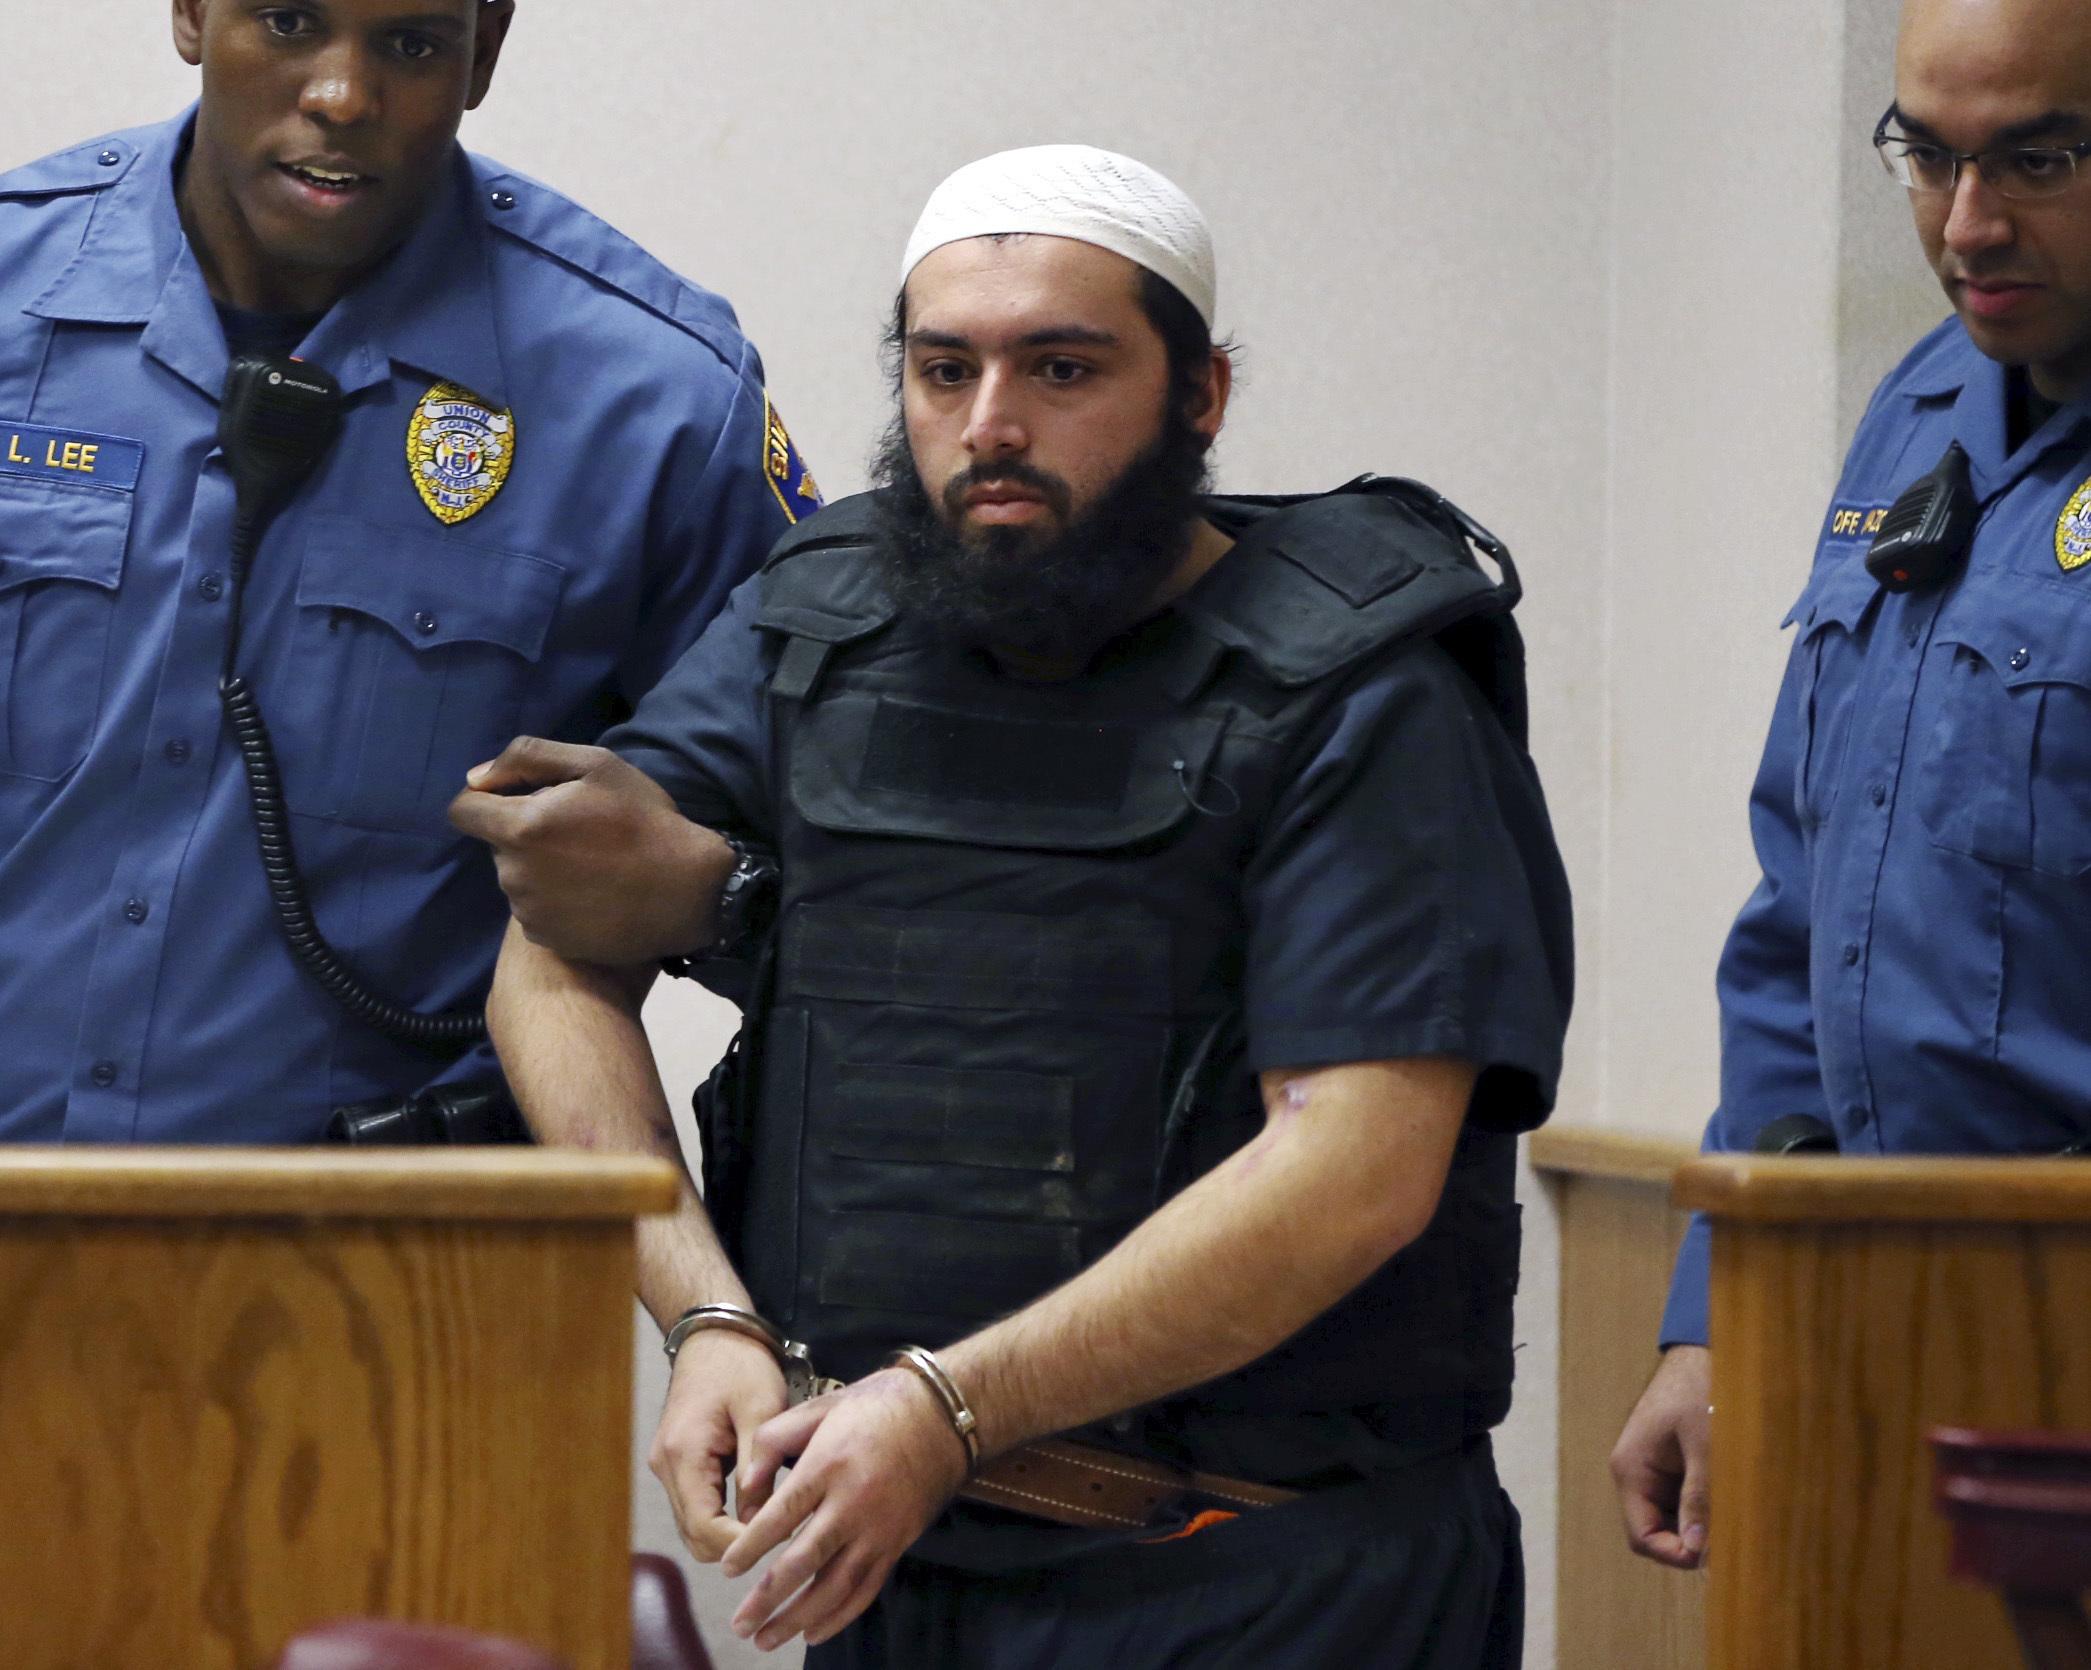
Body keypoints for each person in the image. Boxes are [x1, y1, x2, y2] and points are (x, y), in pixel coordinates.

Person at [454, 145, 1572, 1666]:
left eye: (1061, 368)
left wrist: (946, 1402)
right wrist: (703, 1312)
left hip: (1269, 1580)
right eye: (942, 368)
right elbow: (553, 942)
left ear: (1200, 396)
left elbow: (1355, 1166)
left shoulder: (1357, 688)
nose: (989, 426)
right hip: (896, 1557)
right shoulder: (818, 623)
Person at [0, 0, 810, 1143]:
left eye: (413, 43)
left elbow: (845, 866)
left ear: (487, 47)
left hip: (398, 1269)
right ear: (189, 13)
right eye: (288, 21)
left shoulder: (653, 403)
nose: (343, 95)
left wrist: (707, 895)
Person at [1612, 0, 2091, 1572]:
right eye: (1925, 156)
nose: (1965, 224)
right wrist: (1719, 1311)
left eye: (2033, 156)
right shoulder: (1920, 405)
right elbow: (1808, 906)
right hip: (1872, 1322)